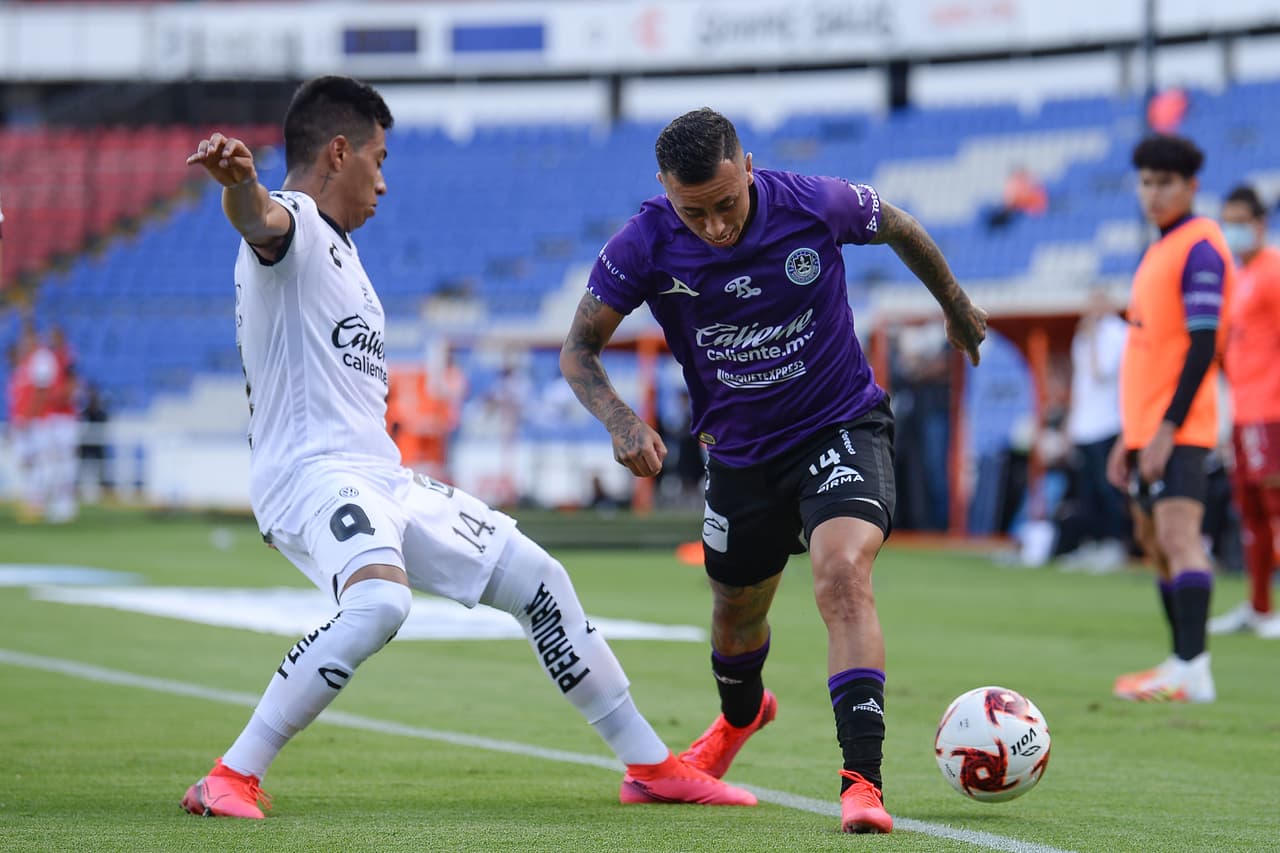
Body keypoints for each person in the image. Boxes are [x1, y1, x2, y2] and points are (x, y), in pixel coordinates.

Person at [180, 76, 754, 820]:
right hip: (312, 477)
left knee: (539, 580)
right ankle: (232, 772)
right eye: (379, 159)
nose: (384, 182)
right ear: (340, 151)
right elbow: (259, 222)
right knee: (381, 601)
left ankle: (651, 765)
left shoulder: (344, 255)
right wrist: (242, 188)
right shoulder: (296, 222)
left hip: (379, 479)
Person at [559, 107, 987, 834]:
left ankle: (862, 784)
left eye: (727, 203)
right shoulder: (645, 243)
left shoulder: (814, 204)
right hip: (739, 456)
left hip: (839, 426)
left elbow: (903, 228)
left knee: (843, 574)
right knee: (736, 614)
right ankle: (740, 715)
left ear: (748, 166)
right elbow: (579, 349)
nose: (717, 225)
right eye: (696, 211)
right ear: (665, 189)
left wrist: (955, 305)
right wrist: (621, 421)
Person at [1108, 135, 1234, 703]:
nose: (1153, 193)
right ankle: (1179, 662)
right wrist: (1128, 436)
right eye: (1146, 182)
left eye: (1165, 183)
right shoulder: (1159, 249)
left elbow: (1203, 347)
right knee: (1153, 540)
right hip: (1144, 428)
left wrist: (1165, 429)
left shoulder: (1201, 248)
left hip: (1180, 427)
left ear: (1190, 186)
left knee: (1180, 536)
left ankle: (1194, 666)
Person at [1210, 184, 1280, 638]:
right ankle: (1258, 607)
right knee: (1250, 513)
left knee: (1275, 510)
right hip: (1242, 411)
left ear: (1259, 224)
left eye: (1240, 221)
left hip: (1271, 412)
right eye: (1227, 221)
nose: (1233, 230)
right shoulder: (1238, 277)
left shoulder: (1273, 272)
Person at [1058, 289, 1130, 572]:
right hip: (1085, 425)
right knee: (1086, 490)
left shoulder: (1116, 333)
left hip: (1107, 423)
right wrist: (1069, 424)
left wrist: (1092, 342)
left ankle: (1115, 543)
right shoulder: (1084, 336)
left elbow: (1103, 372)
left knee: (1107, 488)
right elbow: (1081, 382)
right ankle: (1093, 542)